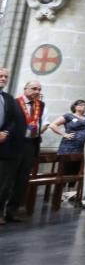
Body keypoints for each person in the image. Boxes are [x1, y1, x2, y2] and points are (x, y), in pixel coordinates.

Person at [0, 80, 49, 222]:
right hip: (13, 146)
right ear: (25, 89)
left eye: (39, 89)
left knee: (21, 181)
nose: (37, 92)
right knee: (5, 181)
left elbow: (40, 123)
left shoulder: (41, 105)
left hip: (30, 146)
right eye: (34, 88)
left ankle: (12, 211)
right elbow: (8, 123)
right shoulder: (14, 103)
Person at [0, 68, 27, 225]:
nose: (3, 78)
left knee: (3, 182)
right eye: (1, 76)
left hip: (4, 146)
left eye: (5, 77)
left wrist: (5, 132)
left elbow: (12, 120)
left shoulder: (8, 98)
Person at [49, 99, 85, 202]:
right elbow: (53, 125)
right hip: (68, 146)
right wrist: (64, 134)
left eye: (84, 106)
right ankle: (59, 193)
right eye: (80, 105)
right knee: (65, 169)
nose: (82, 107)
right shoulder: (68, 116)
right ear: (75, 106)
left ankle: (70, 193)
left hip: (81, 147)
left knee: (75, 170)